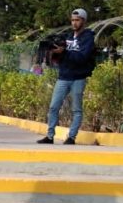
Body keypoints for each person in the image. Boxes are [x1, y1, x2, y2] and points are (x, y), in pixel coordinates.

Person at [38, 8, 97, 145]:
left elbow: (82, 57)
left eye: (77, 20)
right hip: (63, 77)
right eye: (72, 20)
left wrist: (64, 52)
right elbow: (60, 56)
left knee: (76, 109)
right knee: (53, 107)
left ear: (83, 21)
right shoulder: (68, 37)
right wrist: (54, 52)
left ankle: (71, 137)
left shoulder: (88, 38)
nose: (74, 23)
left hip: (78, 78)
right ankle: (50, 136)